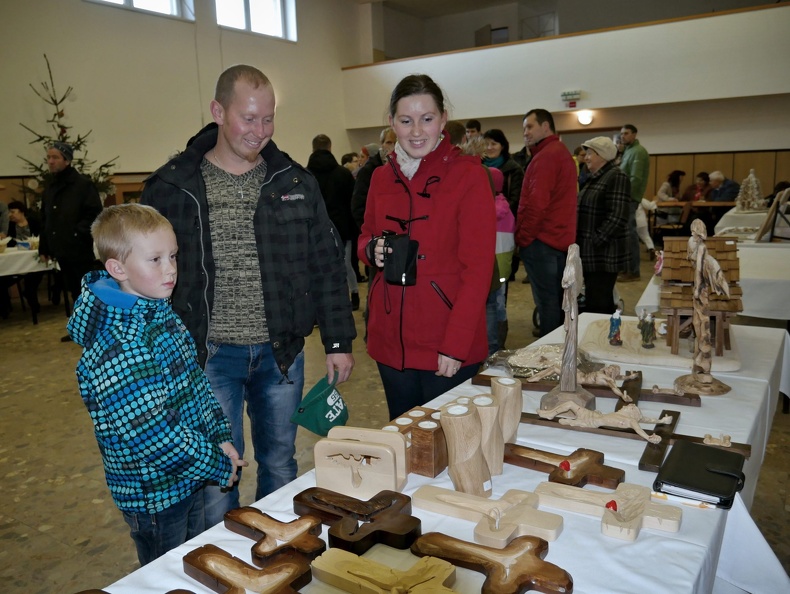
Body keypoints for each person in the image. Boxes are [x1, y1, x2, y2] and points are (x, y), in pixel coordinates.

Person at [140, 65, 356, 526]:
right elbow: (141, 272)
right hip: (209, 355)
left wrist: (338, 341)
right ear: (218, 112)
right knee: (220, 469)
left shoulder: (294, 181)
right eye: (249, 118)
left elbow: (326, 265)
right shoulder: (173, 186)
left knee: (279, 460)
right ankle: (222, 556)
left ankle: (276, 546)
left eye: (268, 119)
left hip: (281, 354)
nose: (260, 131)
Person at [66, 203, 247, 565]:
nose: (170, 269)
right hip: (154, 496)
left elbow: (196, 387)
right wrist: (216, 463)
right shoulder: (121, 346)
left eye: (173, 256)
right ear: (117, 269)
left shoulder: (159, 313)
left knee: (193, 562)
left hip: (188, 474)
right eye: (155, 259)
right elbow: (154, 437)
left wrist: (219, 436)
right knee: (166, 574)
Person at [358, 74, 495, 419]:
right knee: (404, 439)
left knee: (451, 444)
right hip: (390, 344)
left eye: (427, 119)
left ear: (443, 120)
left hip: (445, 344)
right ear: (392, 123)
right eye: (406, 121)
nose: (417, 131)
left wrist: (456, 344)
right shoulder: (380, 177)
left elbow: (478, 271)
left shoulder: (469, 176)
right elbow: (365, 236)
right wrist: (370, 249)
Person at [516, 108, 577, 337]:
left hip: (543, 241)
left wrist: (523, 238)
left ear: (545, 126)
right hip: (556, 240)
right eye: (524, 128)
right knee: (556, 301)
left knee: (548, 302)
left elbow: (536, 205)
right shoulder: (558, 152)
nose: (525, 132)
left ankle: (550, 349)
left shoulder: (547, 156)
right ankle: (558, 345)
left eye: (530, 126)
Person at [38, 141, 103, 335]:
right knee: (73, 290)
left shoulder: (82, 185)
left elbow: (94, 213)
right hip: (60, 248)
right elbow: (45, 219)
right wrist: (45, 246)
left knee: (85, 290)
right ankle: (82, 329)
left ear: (66, 160)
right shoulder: (50, 188)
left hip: (78, 247)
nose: (50, 161)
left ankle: (94, 329)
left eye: (55, 157)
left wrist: (77, 232)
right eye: (48, 158)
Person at [576, 137, 631, 315]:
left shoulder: (616, 176)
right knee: (597, 301)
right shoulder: (594, 178)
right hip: (592, 253)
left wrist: (596, 241)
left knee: (598, 303)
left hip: (603, 255)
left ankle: (601, 331)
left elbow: (618, 216)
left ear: (603, 155)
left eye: (590, 153)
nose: (586, 157)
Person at [307, 134, 360, 310]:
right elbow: (352, 204)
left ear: (313, 148)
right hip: (342, 227)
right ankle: (353, 294)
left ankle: (324, 302)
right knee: (346, 265)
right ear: (330, 148)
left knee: (319, 268)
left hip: (316, 230)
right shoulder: (343, 174)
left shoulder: (306, 175)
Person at [538, 401, 672, 444]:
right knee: (569, 406)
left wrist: (648, 437)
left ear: (631, 412)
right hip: (593, 415)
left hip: (590, 421)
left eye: (629, 407)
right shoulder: (623, 415)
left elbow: (639, 428)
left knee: (569, 407)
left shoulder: (630, 420)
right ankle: (551, 414)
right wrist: (661, 420)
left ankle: (563, 419)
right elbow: (645, 419)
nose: (625, 406)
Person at [486, 167, 515, 355]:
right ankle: (498, 344)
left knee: (490, 305)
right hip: (504, 266)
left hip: (491, 265)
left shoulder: (486, 209)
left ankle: (492, 345)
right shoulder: (507, 208)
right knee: (499, 304)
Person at [0, 202, 44, 320]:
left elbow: (41, 237)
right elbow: (10, 243)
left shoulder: (34, 222)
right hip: (16, 261)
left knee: (35, 273)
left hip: (34, 258)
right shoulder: (10, 226)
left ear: (21, 212)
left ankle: (32, 300)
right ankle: (5, 308)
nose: (10, 215)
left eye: (13, 212)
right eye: (9, 212)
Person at [618, 124, 650, 282]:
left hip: (629, 198)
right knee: (624, 234)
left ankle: (633, 270)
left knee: (630, 234)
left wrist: (624, 196)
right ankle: (625, 268)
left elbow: (635, 179)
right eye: (621, 134)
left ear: (634, 134)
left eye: (626, 133)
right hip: (624, 197)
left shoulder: (638, 151)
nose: (623, 136)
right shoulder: (628, 151)